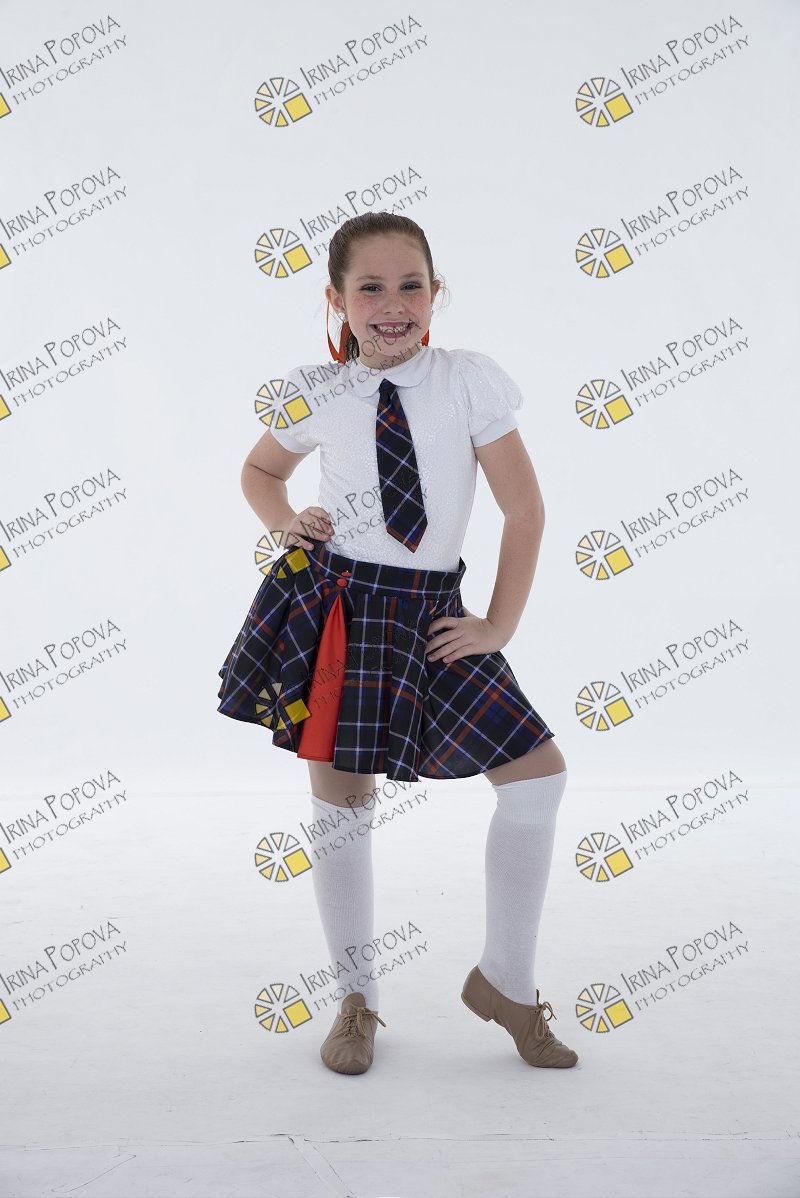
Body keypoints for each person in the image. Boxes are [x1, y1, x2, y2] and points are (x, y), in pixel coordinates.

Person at [217, 211, 578, 1075]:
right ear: (336, 298)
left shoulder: (467, 382)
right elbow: (259, 472)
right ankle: (356, 998)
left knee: (537, 778)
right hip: (339, 611)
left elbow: (525, 511)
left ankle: (507, 982)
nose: (392, 305)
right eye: (370, 288)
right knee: (343, 805)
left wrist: (497, 626)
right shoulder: (317, 389)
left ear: (435, 292)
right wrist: (287, 523)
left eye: (410, 286)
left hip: (433, 617)